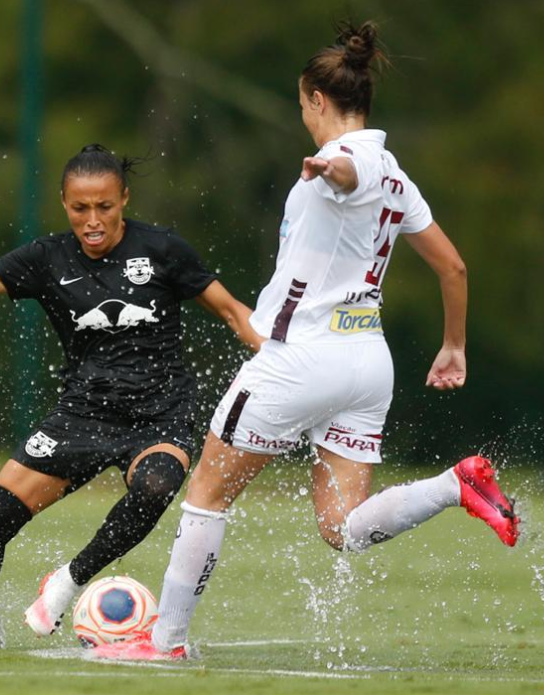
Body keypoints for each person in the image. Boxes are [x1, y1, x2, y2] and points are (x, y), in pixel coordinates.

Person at [93, 21, 521, 661]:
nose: (303, 116)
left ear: (318, 100)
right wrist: (453, 346)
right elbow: (452, 267)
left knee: (207, 495)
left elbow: (352, 172)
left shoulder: (356, 165)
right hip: (366, 365)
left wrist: (332, 166)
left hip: (297, 363)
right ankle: (455, 485)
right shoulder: (400, 178)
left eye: (302, 104)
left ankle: (168, 643)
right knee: (341, 528)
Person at [0, 144, 262, 647]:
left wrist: (282, 353)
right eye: (80, 208)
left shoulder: (163, 249)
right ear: (64, 203)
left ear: (124, 199)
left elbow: (232, 312)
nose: (93, 220)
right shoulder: (46, 259)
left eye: (105, 207)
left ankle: (67, 580)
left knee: (155, 488)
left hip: (161, 414)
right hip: (82, 415)